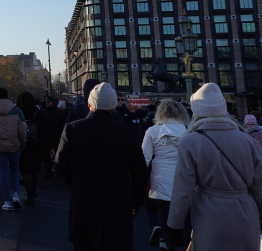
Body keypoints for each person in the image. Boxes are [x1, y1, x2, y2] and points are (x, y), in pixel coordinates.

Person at [166, 83, 262, 250]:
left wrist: (175, 224)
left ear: (196, 111)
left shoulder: (189, 142)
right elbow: (259, 186)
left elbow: (183, 189)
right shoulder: (248, 141)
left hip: (210, 215)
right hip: (247, 213)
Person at [56, 82, 146, 250]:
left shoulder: (72, 129)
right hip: (117, 203)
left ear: (90, 105)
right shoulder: (126, 134)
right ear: (113, 107)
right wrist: (135, 202)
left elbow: (61, 164)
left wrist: (74, 183)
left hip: (84, 200)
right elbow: (139, 172)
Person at [141, 99, 190, 251]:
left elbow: (144, 159)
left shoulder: (152, 131)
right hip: (184, 178)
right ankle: (185, 245)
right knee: (186, 215)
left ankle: (170, 247)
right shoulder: (188, 130)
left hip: (161, 178)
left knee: (163, 214)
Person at [0, 88, 26, 211]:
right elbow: (22, 130)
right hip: (15, 144)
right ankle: (16, 195)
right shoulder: (17, 110)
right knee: (15, 170)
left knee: (3, 172)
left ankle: (7, 201)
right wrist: (22, 144)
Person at [17, 92, 43, 206]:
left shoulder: (18, 112)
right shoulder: (37, 112)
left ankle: (29, 195)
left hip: (22, 143)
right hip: (35, 143)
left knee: (25, 170)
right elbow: (43, 129)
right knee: (34, 169)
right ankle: (33, 191)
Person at [40, 96, 65, 179]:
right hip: (49, 136)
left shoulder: (57, 112)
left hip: (55, 136)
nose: (47, 103)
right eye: (46, 102)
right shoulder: (45, 112)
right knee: (48, 156)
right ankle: (49, 172)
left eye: (48, 101)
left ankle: (55, 172)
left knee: (56, 156)